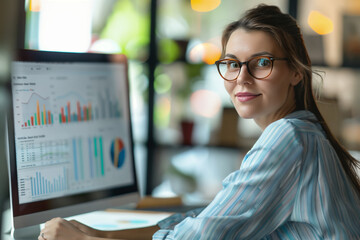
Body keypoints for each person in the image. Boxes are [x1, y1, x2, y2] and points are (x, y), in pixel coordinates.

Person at [39, 4, 360, 240]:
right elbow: (209, 217)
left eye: (262, 63)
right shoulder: (304, 132)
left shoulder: (288, 137)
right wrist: (106, 236)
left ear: (295, 72)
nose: (242, 79)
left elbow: (207, 235)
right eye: (232, 64)